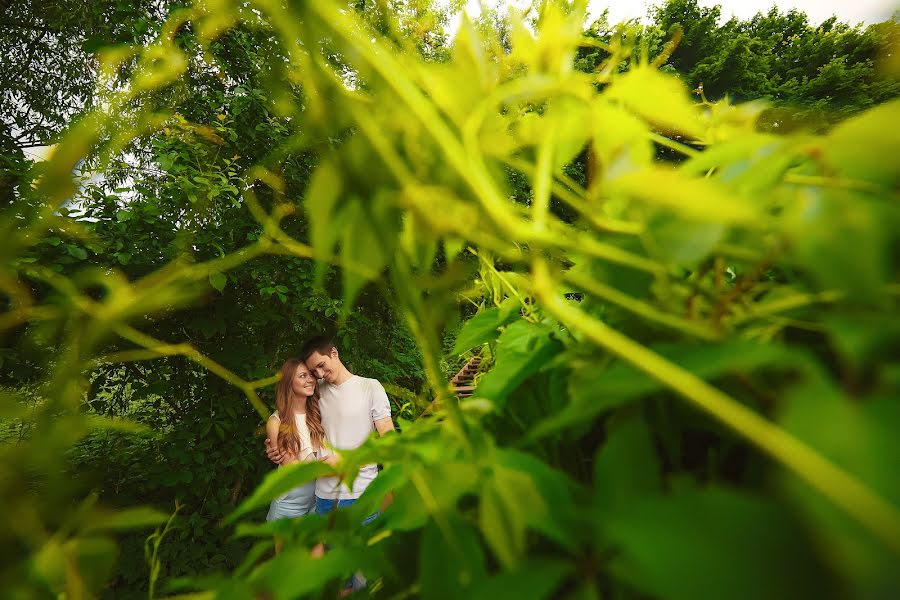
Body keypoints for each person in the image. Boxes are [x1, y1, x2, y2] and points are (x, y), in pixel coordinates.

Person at [266, 336, 395, 516]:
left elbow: (389, 441)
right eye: (313, 371)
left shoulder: (370, 387)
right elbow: (286, 414)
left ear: (334, 353)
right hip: (323, 498)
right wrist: (276, 443)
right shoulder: (314, 390)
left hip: (362, 493)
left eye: (321, 365)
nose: (318, 374)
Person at [264, 358, 326, 529]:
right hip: (289, 502)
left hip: (316, 499)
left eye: (311, 375)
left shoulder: (318, 414)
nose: (310, 380)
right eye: (302, 376)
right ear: (289, 382)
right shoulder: (276, 422)